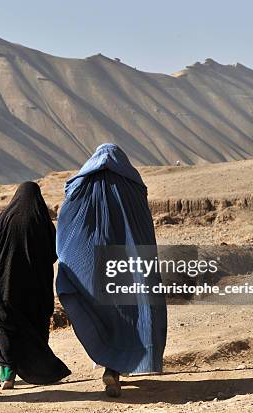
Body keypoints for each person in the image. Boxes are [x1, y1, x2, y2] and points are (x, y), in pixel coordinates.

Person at [56, 144, 167, 397]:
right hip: (127, 263)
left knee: (102, 313)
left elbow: (67, 228)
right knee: (128, 312)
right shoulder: (132, 186)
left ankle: (111, 365)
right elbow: (143, 230)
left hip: (90, 265)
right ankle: (117, 366)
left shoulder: (80, 187)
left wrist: (68, 261)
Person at [0, 182, 71, 389]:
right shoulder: (41, 220)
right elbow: (53, 253)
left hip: (1, 285)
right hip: (33, 289)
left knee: (5, 328)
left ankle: (7, 374)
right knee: (34, 327)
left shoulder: (3, 219)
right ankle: (39, 370)